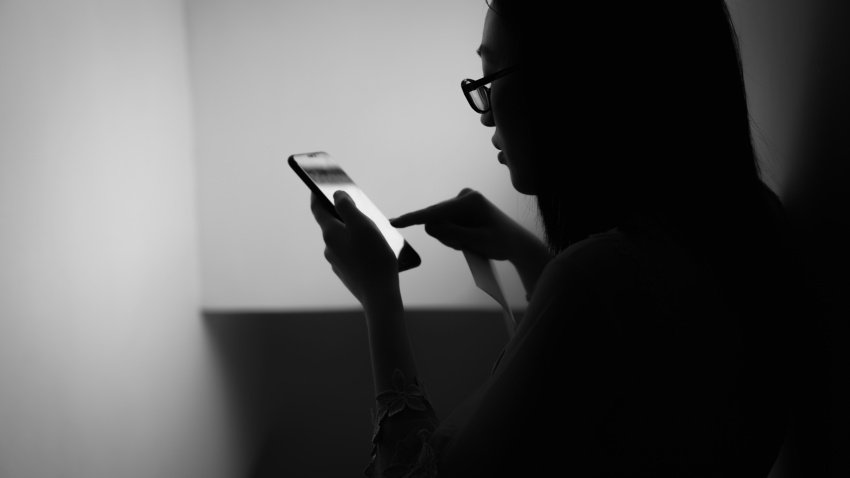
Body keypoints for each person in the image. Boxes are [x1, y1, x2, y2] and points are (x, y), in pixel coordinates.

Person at [309, 1, 818, 475]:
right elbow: (603, 386)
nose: (485, 112)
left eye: (491, 76)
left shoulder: (596, 284)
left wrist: (379, 298)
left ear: (572, 79)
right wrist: (526, 253)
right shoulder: (753, 223)